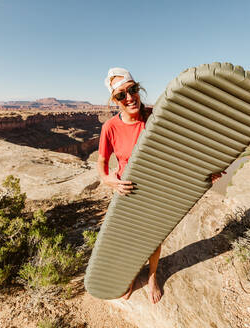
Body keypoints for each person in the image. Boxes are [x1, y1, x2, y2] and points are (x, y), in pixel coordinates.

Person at [97, 67, 224, 304]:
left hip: (158, 189)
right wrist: (108, 180)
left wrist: (207, 170)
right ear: (114, 100)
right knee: (131, 239)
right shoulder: (110, 128)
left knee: (153, 239)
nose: (129, 97)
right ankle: (133, 274)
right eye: (121, 95)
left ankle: (153, 276)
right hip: (129, 193)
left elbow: (182, 148)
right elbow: (102, 162)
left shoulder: (156, 118)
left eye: (132, 90)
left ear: (138, 89)